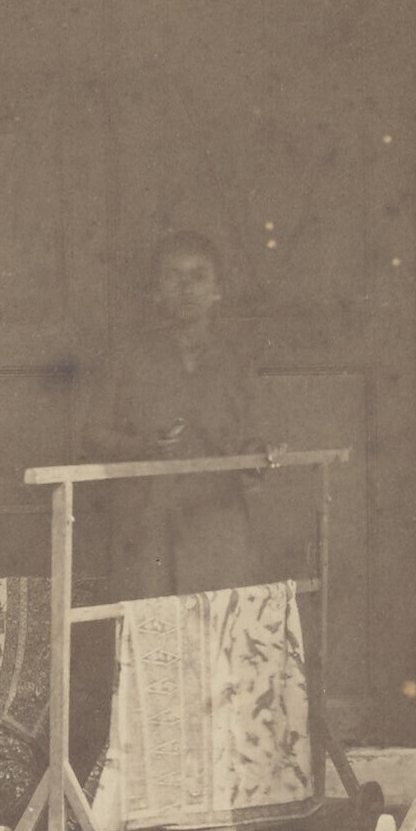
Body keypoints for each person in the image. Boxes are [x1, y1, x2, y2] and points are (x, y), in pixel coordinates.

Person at [91, 231, 275, 598]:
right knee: (150, 623)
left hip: (217, 526)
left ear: (218, 289)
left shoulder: (237, 361)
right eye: (173, 276)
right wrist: (143, 445)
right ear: (155, 291)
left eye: (198, 276)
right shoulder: (128, 356)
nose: (186, 288)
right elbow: (93, 434)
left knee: (219, 623)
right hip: (148, 524)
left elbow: (255, 441)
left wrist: (262, 455)